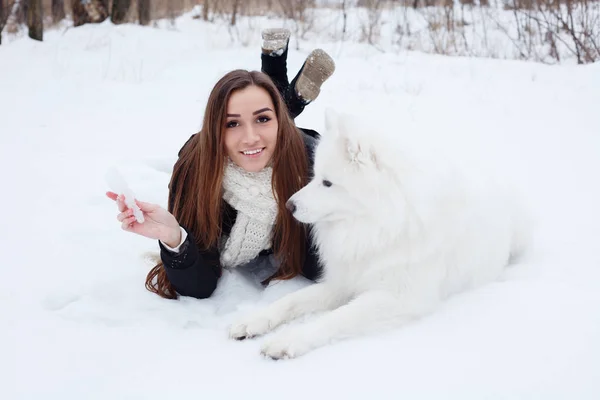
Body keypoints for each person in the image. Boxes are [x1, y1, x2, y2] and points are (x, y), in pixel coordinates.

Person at [106, 29, 335, 300]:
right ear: (216, 129)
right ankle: (286, 91)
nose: (250, 138)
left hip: (290, 146)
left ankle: (282, 88)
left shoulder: (309, 160)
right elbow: (199, 284)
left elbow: (326, 263)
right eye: (232, 123)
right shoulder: (197, 169)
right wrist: (174, 238)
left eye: (263, 119)